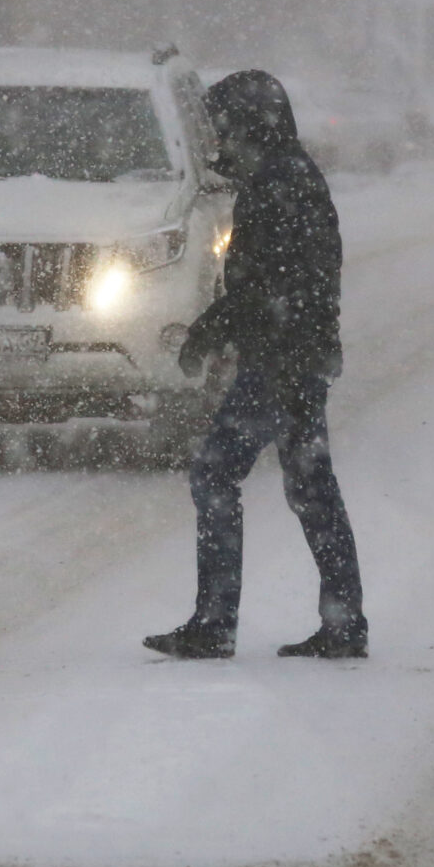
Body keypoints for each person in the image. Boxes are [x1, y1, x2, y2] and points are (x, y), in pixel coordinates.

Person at [145, 69, 367, 660]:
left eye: (224, 130)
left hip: (279, 363)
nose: (219, 145)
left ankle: (216, 622)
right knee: (311, 486)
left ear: (250, 127)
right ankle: (344, 622)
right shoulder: (290, 176)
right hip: (299, 358)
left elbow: (265, 286)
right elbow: (286, 284)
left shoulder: (278, 185)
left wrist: (208, 332)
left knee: (216, 475)